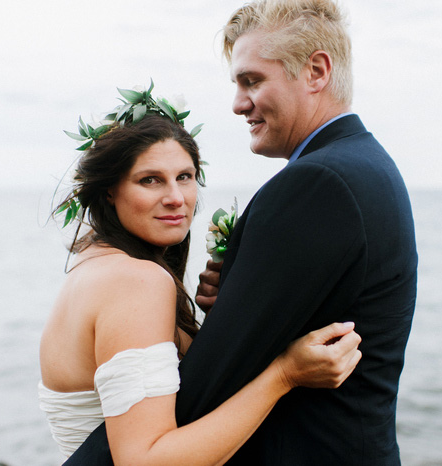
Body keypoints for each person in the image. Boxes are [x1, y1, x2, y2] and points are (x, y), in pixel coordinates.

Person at [69, 0, 417, 463]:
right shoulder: (367, 166)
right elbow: (274, 324)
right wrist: (238, 295)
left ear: (316, 71)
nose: (237, 104)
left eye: (252, 81)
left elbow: (218, 374)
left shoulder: (318, 184)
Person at [39, 87, 363, 465]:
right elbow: (145, 461)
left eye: (185, 176)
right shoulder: (135, 280)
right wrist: (285, 375)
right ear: (110, 191)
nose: (176, 197)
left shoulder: (94, 261)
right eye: (150, 180)